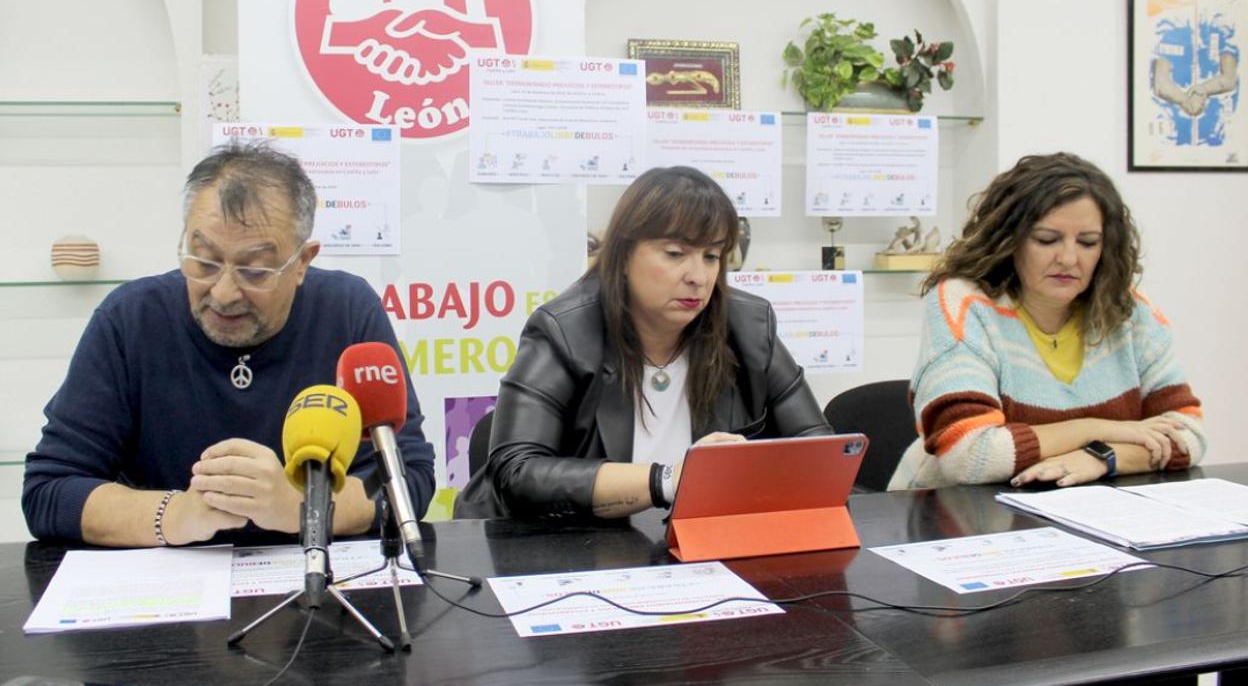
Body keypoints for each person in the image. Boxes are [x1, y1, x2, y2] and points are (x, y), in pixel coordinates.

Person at [23, 143, 435, 546]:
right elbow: (50, 490)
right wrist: (176, 514)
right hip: (171, 589)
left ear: (303, 262)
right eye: (203, 263)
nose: (222, 293)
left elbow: (408, 478)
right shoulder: (130, 319)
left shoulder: (347, 310)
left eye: (255, 271)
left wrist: (302, 507)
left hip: (320, 583)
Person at [455, 166, 831, 520]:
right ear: (622, 256)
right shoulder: (563, 330)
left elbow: (819, 450)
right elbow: (517, 472)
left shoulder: (748, 326)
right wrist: (665, 480)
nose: (698, 277)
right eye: (675, 254)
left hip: (691, 544)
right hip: (562, 543)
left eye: (711, 256)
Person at [889, 152, 1205, 490]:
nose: (1069, 258)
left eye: (1088, 243)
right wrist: (1099, 429)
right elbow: (969, 457)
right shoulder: (964, 302)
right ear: (1010, 240)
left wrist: (1102, 457)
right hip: (949, 517)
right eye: (1046, 239)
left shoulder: (1128, 313)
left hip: (1078, 512)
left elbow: (1189, 434)